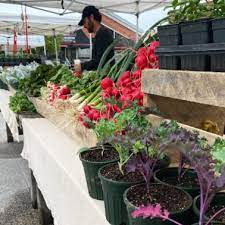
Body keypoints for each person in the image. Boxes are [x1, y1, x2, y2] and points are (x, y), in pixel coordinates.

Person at [74, 5, 115, 73]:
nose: (84, 26)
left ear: (91, 17)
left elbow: (100, 62)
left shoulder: (103, 34)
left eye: (84, 22)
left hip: (106, 78)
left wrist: (82, 66)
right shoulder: (100, 34)